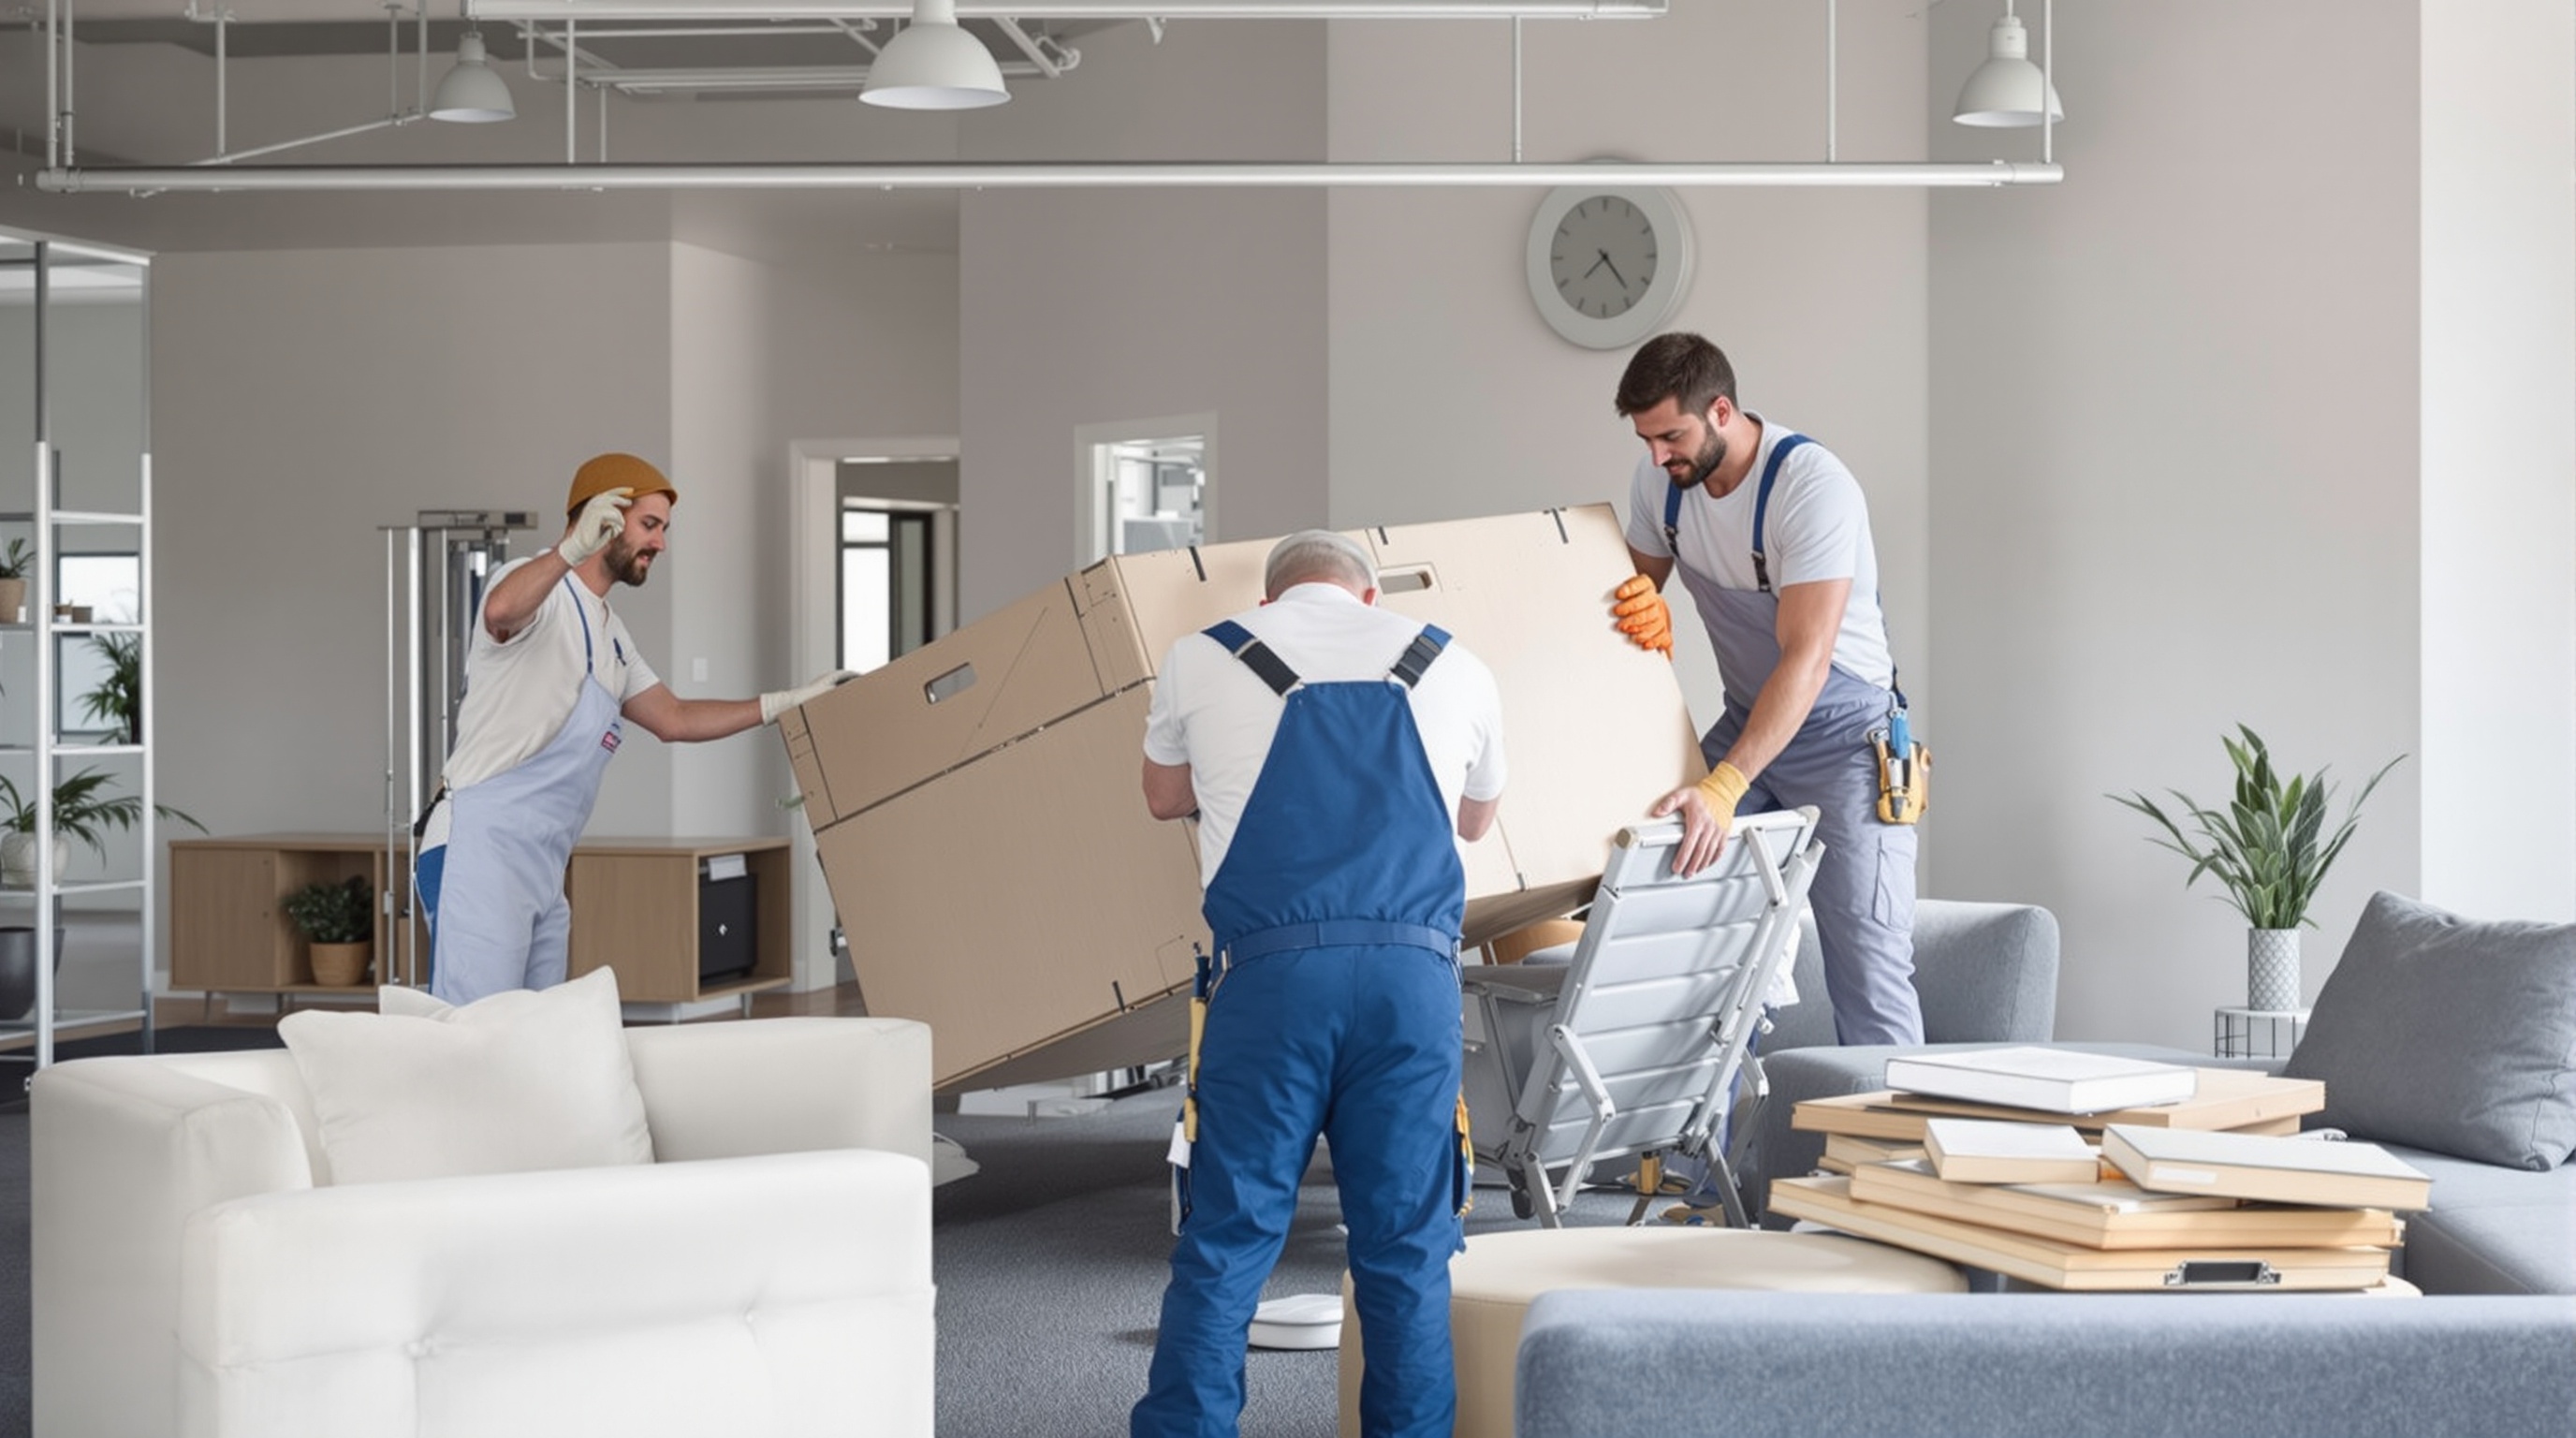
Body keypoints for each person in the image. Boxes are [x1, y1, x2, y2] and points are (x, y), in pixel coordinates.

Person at [1131, 529, 1507, 1438]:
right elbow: (1475, 816)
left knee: (1228, 1239)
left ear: (1269, 602)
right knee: (1405, 1250)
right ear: (1369, 599)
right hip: (1408, 988)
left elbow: (1161, 795)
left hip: (1271, 986)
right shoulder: (1456, 663)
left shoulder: (1201, 656)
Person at [415, 452, 851, 1005]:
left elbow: (675, 718)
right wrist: (569, 552)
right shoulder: (538, 591)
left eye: (664, 530)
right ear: (604, 517)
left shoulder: (613, 636)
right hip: (478, 851)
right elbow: (501, 611)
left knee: (534, 1036)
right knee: (474, 1036)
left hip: (543, 867)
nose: (661, 544)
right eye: (650, 526)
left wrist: (786, 703)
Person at [1609, 332, 1925, 1047]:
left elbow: (1807, 659)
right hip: (1752, 718)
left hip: (1846, 739)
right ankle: (1686, 1157)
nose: (1658, 456)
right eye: (1646, 439)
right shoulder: (1660, 482)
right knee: (1678, 943)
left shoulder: (1812, 487)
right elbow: (1634, 594)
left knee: (1868, 968)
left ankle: (1892, 1160)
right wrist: (1637, 608)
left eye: (1671, 436)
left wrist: (1724, 788)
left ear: (1721, 411)